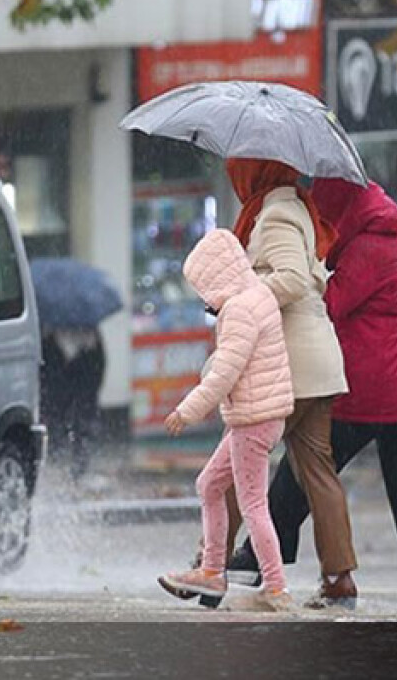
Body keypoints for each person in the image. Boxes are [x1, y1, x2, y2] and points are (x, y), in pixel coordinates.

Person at [226, 179, 397, 614]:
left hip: (371, 391)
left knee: (305, 465)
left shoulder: (368, 250)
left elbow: (331, 302)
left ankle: (254, 559)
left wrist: (306, 271)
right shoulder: (396, 243)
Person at [208, 158, 359, 610]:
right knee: (318, 471)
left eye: (240, 171)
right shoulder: (298, 209)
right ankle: (339, 579)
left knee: (237, 459)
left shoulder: (275, 213)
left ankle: (211, 564)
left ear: (256, 173)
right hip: (317, 363)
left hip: (286, 365)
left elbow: (291, 278)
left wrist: (240, 299)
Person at [156, 229, 295, 611]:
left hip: (253, 420)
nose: (203, 297)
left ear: (215, 278)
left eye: (202, 287)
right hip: (260, 416)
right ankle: (213, 571)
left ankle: (276, 586)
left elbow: (224, 374)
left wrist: (187, 410)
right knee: (209, 485)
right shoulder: (259, 295)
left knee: (253, 505)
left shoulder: (238, 310)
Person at [39, 325, 105, 481]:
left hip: (70, 391)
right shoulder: (91, 337)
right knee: (72, 423)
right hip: (69, 392)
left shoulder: (50, 334)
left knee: (74, 423)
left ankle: (72, 464)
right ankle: (69, 463)